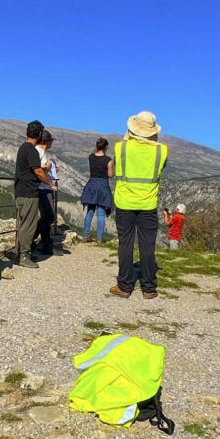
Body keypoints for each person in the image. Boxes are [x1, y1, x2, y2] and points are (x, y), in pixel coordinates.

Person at [110, 111, 168, 299]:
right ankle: (149, 287)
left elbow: (118, 166)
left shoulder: (121, 148)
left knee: (125, 243)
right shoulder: (162, 150)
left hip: (125, 202)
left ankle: (125, 286)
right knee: (147, 245)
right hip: (148, 204)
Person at [14, 121, 53, 268]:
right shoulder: (31, 150)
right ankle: (24, 256)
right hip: (28, 192)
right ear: (38, 134)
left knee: (25, 223)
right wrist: (49, 182)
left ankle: (22, 253)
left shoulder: (23, 148)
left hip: (22, 191)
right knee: (29, 225)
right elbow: (37, 170)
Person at [81, 137, 114, 242]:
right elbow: (110, 175)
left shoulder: (91, 157)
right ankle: (100, 238)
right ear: (106, 147)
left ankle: (86, 235)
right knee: (101, 213)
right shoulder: (108, 160)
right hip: (103, 186)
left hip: (92, 184)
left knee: (90, 211)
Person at [34, 130, 60, 256]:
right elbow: (39, 170)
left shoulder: (41, 152)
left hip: (43, 188)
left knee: (46, 216)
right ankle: (32, 238)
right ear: (47, 141)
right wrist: (49, 168)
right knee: (48, 216)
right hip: (43, 188)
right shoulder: (39, 152)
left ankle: (45, 244)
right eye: (51, 140)